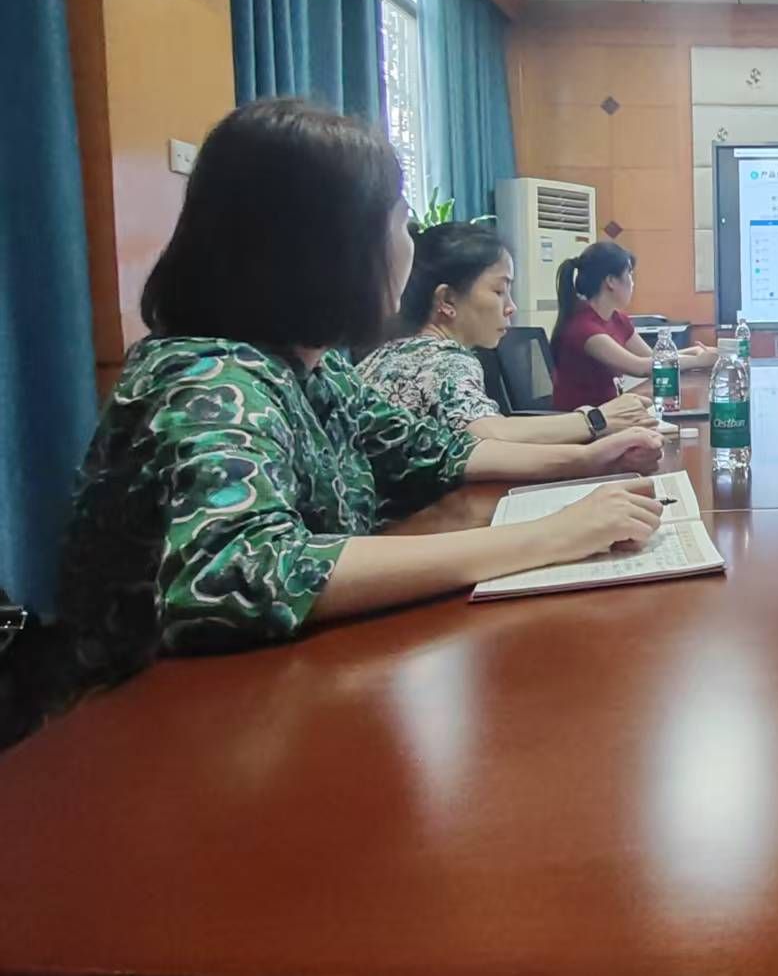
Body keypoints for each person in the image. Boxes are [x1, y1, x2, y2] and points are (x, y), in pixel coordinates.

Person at [53, 100, 669, 703]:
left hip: (278, 691)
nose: (408, 245)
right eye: (399, 223)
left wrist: (586, 459)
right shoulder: (209, 380)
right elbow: (243, 572)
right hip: (147, 725)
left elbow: (436, 450)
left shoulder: (313, 369)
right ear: (328, 246)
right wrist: (553, 536)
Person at [359, 221, 657, 446]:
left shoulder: (395, 351)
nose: (511, 306)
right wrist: (599, 420)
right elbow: (488, 434)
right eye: (499, 291)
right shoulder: (440, 360)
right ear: (447, 300)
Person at [551, 240, 715, 412]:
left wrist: (695, 351)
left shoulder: (617, 319)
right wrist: (699, 360)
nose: (633, 282)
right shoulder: (584, 328)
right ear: (611, 281)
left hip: (611, 413)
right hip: (584, 421)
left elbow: (653, 357)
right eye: (629, 274)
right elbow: (640, 367)